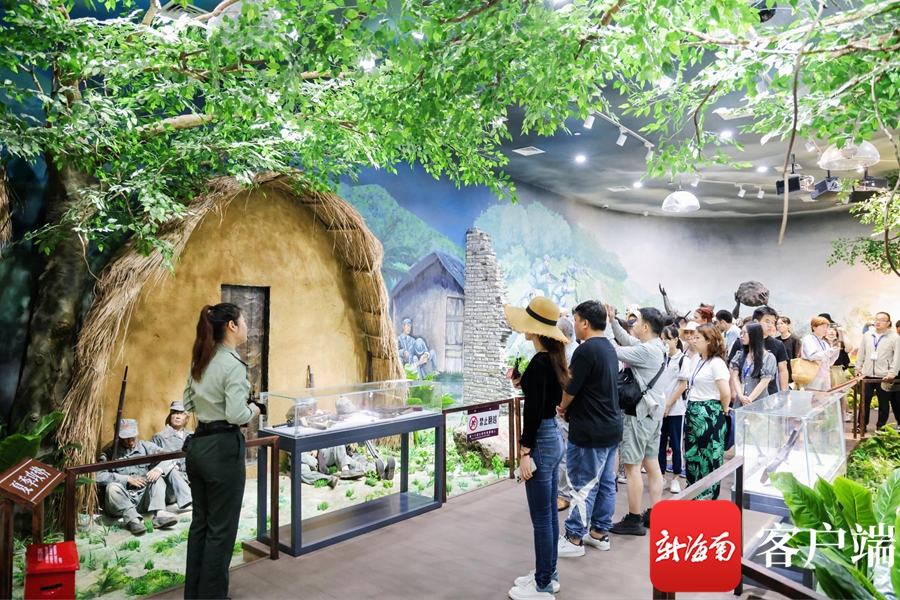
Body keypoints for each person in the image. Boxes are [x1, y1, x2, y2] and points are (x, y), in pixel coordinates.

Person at [182, 303, 262, 599]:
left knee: (200, 526)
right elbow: (235, 414)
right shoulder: (232, 364)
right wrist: (254, 409)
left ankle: (195, 595)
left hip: (199, 446)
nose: (246, 327)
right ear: (231, 326)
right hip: (222, 450)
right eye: (243, 321)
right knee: (221, 531)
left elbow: (188, 403)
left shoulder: (201, 359)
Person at [504, 297, 569, 600]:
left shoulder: (541, 362)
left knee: (541, 519)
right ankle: (549, 574)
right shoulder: (551, 359)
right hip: (552, 436)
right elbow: (543, 397)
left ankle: (542, 584)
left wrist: (525, 451)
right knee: (549, 515)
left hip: (540, 441)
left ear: (535, 329)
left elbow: (533, 412)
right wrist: (524, 382)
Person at [556, 301, 621, 558]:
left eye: (575, 320)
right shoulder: (609, 347)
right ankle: (598, 533)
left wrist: (562, 406)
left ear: (585, 322)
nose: (574, 325)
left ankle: (573, 539)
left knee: (582, 485)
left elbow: (570, 389)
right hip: (610, 427)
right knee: (605, 483)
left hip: (590, 430)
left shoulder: (585, 350)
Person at [605, 304, 667, 536]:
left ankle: (633, 520)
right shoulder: (658, 346)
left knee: (632, 468)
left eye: (637, 320)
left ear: (646, 327)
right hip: (653, 414)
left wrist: (604, 327)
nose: (633, 324)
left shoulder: (647, 351)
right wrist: (613, 321)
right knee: (652, 465)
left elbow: (613, 350)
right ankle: (656, 514)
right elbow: (627, 341)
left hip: (639, 415)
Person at [96, 419, 183, 535]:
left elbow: (170, 457)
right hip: (122, 501)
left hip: (143, 498)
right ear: (119, 437)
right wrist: (127, 479)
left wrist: (158, 469)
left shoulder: (147, 447)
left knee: (158, 478)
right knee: (112, 488)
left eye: (133, 437)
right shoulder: (110, 453)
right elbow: (99, 476)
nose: (130, 442)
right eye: (126, 438)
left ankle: (160, 515)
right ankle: (133, 520)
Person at [683, 324, 731, 500]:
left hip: (709, 413)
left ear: (709, 341)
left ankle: (707, 498)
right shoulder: (698, 360)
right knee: (692, 456)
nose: (693, 340)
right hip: (694, 411)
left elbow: (725, 392)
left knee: (708, 457)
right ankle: (693, 495)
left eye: (698, 338)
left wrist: (724, 410)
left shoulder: (717, 363)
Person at [855, 312, 900, 431]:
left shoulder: (894, 338)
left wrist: (892, 373)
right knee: (864, 402)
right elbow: (861, 353)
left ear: (888, 323)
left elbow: (897, 358)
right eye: (876, 319)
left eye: (882, 320)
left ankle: (881, 427)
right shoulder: (867, 335)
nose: (878, 322)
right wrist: (858, 368)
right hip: (867, 374)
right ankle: (861, 425)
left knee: (884, 403)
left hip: (884, 376)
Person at [659, 326, 686, 494]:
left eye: (667, 339)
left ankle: (676, 477)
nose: (664, 343)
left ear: (676, 340)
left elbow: (682, 385)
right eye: (661, 339)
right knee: (660, 444)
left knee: (676, 445)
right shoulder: (660, 357)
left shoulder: (683, 360)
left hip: (676, 410)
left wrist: (668, 404)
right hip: (659, 409)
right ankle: (661, 476)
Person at [555, 317, 577, 512]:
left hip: (565, 411)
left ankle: (564, 494)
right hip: (565, 411)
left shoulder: (570, 354)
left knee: (564, 453)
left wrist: (562, 406)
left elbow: (568, 386)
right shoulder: (567, 352)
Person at [729, 322, 777, 405]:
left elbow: (764, 382)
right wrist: (740, 396)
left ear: (754, 335)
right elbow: (735, 377)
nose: (741, 336)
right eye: (741, 333)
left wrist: (749, 399)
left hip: (759, 404)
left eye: (744, 333)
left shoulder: (768, 357)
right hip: (740, 402)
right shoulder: (740, 355)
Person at [752, 306, 789, 393]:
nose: (771, 325)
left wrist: (783, 392)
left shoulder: (778, 344)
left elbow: (782, 370)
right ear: (756, 322)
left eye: (773, 322)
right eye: (767, 321)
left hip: (770, 392)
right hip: (746, 393)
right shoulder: (744, 342)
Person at [152, 400, 194, 478]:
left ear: (187, 419)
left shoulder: (192, 436)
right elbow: (153, 463)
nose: (178, 417)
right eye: (175, 413)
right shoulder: (159, 437)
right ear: (170, 416)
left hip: (192, 477)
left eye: (182, 413)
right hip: (170, 478)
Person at [799, 316, 841, 392]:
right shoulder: (809, 339)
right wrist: (829, 352)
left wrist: (835, 353)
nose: (825, 329)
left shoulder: (824, 343)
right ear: (814, 327)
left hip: (825, 375)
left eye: (827, 327)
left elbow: (829, 362)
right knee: (812, 397)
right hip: (813, 375)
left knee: (825, 398)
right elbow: (811, 356)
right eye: (823, 327)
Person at [776, 316, 801, 384]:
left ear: (789, 325)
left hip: (791, 372)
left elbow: (797, 357)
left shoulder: (795, 339)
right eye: (778, 324)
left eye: (782, 323)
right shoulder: (776, 340)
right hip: (779, 372)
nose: (779, 326)